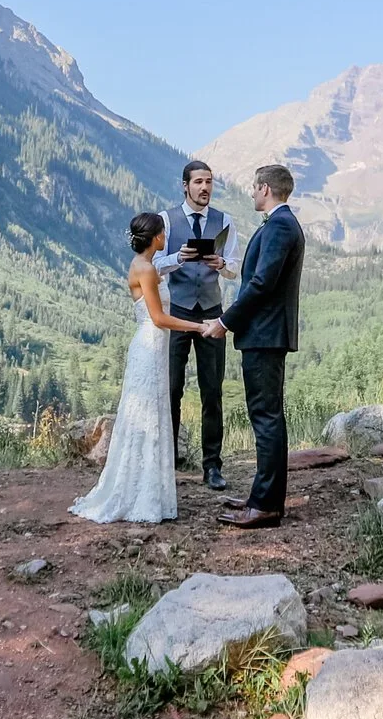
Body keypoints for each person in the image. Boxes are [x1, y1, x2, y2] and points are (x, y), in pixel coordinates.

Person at [70, 212, 220, 525]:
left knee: (152, 414)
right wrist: (199, 326)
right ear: (157, 237)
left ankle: (148, 489)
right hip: (151, 346)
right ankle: (142, 494)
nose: (166, 235)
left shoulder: (146, 266)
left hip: (153, 345)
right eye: (163, 232)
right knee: (149, 415)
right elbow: (160, 318)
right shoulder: (146, 269)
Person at [210, 163, 304, 530]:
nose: (251, 193)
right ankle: (262, 497)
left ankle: (266, 505)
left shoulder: (280, 225)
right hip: (264, 334)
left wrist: (225, 321)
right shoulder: (281, 224)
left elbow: (262, 283)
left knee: (266, 418)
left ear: (266, 189)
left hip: (264, 335)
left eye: (253, 188)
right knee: (266, 416)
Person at [153, 159, 232, 490]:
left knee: (212, 391)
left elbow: (235, 268)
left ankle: (212, 466)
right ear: (184, 185)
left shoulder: (224, 220)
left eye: (209, 182)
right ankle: (166, 464)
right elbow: (153, 265)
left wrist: (222, 262)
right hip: (179, 313)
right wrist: (178, 258)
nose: (205, 188)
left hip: (212, 310)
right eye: (199, 182)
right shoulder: (166, 220)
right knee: (172, 389)